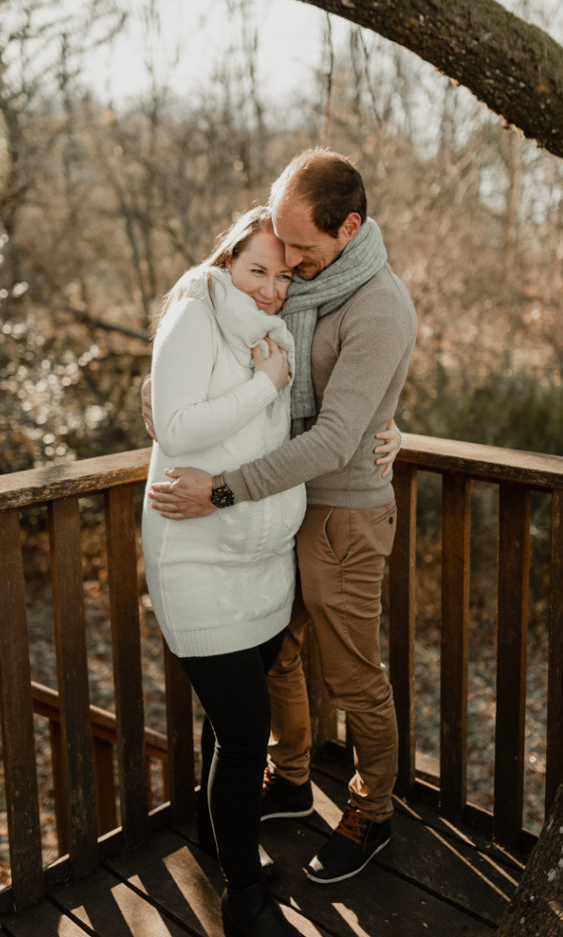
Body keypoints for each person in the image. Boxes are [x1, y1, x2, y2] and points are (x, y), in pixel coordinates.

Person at [148, 148, 417, 886]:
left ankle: (374, 809)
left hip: (343, 514)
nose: (290, 263)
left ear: (349, 227)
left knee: (356, 674)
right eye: (281, 244)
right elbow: (223, 364)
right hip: (285, 507)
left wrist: (224, 488)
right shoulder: (304, 285)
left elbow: (336, 436)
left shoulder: (378, 304)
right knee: (284, 656)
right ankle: (292, 780)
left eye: (302, 247)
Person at [141, 206, 307, 937]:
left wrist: (385, 433)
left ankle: (221, 842)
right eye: (257, 270)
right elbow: (177, 430)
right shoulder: (195, 314)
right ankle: (243, 893)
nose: (272, 288)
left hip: (265, 564)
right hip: (198, 559)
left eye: (284, 273)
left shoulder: (274, 332)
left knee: (226, 732)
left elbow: (294, 432)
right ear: (228, 262)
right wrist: (266, 384)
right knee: (246, 731)